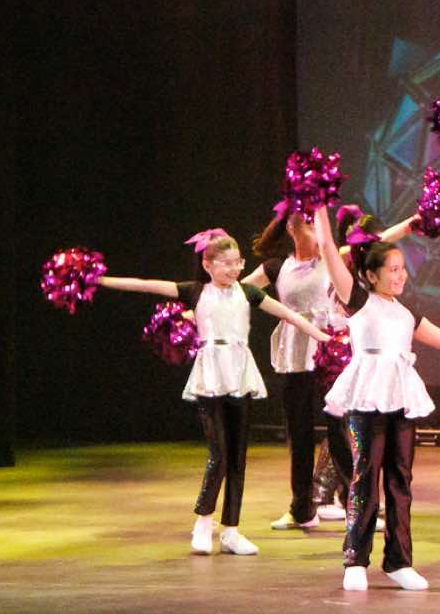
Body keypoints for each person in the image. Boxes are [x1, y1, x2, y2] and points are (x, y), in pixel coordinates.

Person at [96, 229, 330, 556]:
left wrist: (326, 338)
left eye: (238, 263)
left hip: (240, 375)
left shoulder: (247, 292)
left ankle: (231, 530)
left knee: (237, 458)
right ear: (207, 265)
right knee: (219, 453)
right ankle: (203, 522)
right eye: (226, 264)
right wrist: (100, 280)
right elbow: (144, 284)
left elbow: (288, 315)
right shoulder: (195, 292)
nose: (234, 269)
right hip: (210, 376)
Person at [312, 205, 440, 592]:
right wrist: (317, 207)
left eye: (402, 269)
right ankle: (355, 559)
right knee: (365, 477)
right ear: (371, 275)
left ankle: (399, 561)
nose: (400, 276)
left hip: (400, 399)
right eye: (392, 269)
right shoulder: (358, 300)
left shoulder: (407, 312)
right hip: (366, 400)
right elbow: (328, 248)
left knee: (401, 480)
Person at [242, 206, 416, 533]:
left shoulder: (331, 258)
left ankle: (356, 506)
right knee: (299, 435)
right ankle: (301, 509)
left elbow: (376, 241)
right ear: (291, 228)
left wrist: (411, 224)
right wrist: (195, 308)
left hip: (330, 355)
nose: (312, 226)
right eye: (306, 221)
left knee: (341, 433)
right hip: (296, 357)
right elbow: (237, 290)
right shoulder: (277, 267)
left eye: (314, 220)